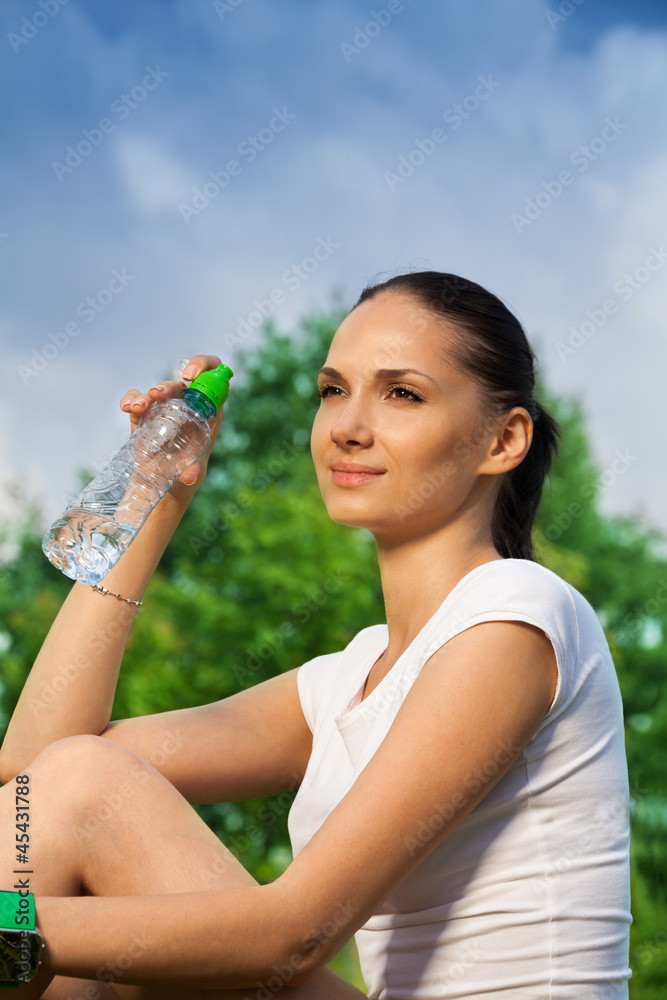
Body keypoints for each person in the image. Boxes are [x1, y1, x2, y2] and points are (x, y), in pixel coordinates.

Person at [0, 271, 631, 999]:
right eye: (333, 390)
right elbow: (39, 769)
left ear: (503, 439)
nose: (347, 426)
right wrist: (153, 494)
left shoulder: (515, 614)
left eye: (403, 394)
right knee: (78, 786)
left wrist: (18, 925)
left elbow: (291, 935)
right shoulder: (347, 678)